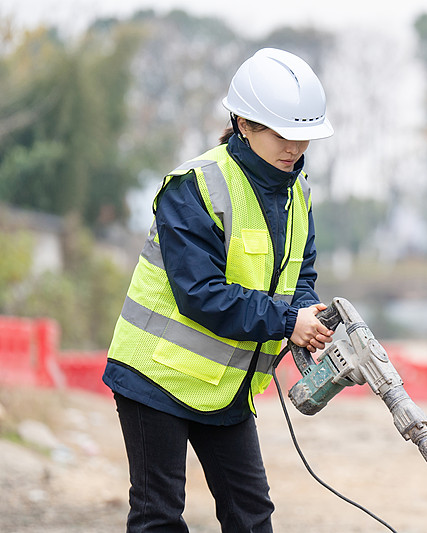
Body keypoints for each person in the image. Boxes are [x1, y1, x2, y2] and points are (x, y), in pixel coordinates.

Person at [102, 48, 335, 532]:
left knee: (251, 517)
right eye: (282, 133)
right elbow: (200, 294)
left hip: (225, 388)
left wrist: (309, 315)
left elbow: (299, 275)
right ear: (244, 123)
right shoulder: (195, 187)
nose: (295, 147)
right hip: (154, 378)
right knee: (159, 516)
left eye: (304, 136)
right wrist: (289, 322)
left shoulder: (299, 194)